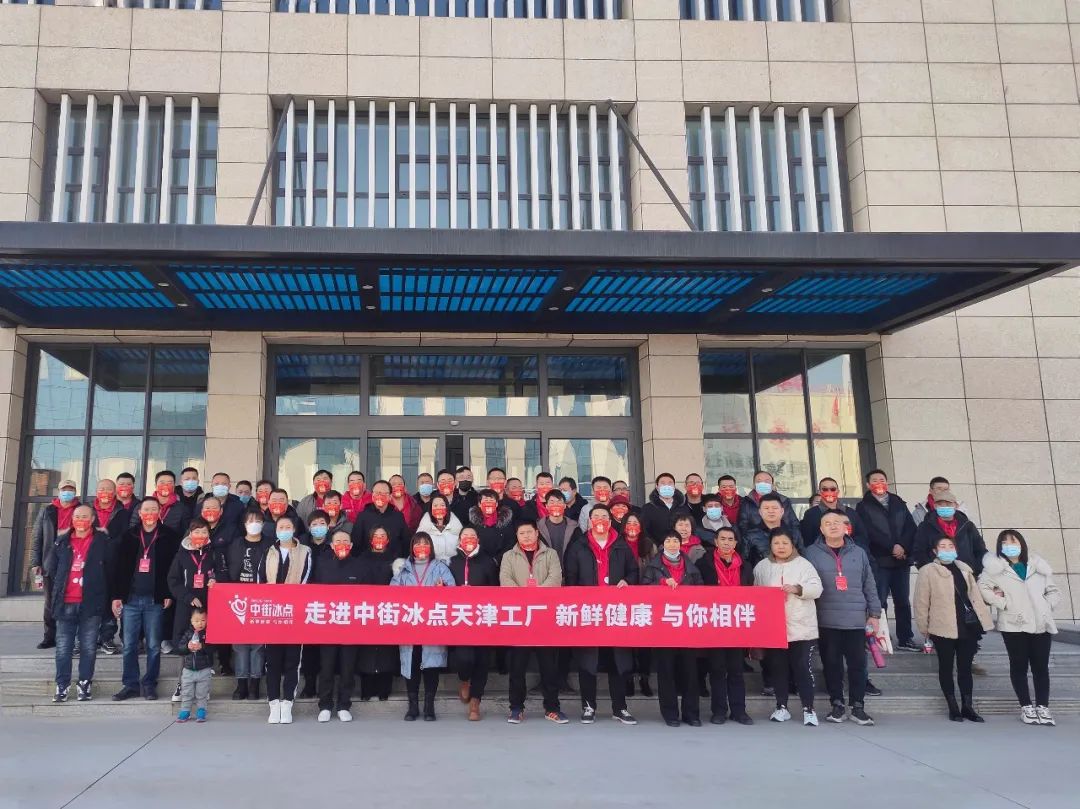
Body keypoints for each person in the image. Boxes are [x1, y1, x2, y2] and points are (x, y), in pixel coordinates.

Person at [563, 503, 639, 725]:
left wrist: (628, 581)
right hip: (590, 612)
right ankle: (588, 706)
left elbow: (633, 571)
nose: (600, 520)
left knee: (618, 661)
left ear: (610, 520)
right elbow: (571, 577)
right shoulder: (579, 546)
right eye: (595, 516)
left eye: (604, 516)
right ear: (589, 521)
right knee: (588, 662)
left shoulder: (621, 545)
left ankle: (620, 707)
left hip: (616, 612)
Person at [804, 509, 881, 726]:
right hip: (826, 618)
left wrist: (874, 614)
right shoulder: (811, 553)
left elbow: (869, 584)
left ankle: (858, 706)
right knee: (832, 665)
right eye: (827, 523)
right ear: (821, 529)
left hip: (856, 620)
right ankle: (837, 704)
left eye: (837, 522)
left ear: (846, 527)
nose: (833, 526)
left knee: (858, 665)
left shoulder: (859, 552)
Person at [978, 530, 1061, 726]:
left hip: (1041, 623)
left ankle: (1043, 707)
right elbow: (983, 587)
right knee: (1019, 666)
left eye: (1013, 541)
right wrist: (1003, 603)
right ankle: (1026, 706)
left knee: (1041, 667)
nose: (1010, 545)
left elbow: (1053, 590)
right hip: (1014, 624)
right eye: (1005, 542)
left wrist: (1046, 605)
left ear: (1021, 543)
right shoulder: (994, 569)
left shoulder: (1037, 565)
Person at [914, 536, 992, 722]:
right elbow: (921, 601)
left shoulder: (964, 569)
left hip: (968, 625)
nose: (947, 549)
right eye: (942, 546)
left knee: (965, 667)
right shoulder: (928, 571)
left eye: (950, 546)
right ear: (935, 551)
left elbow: (974, 596)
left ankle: (967, 706)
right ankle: (953, 706)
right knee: (946, 667)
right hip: (942, 626)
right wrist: (924, 626)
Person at [110, 497, 181, 701]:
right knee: (129, 645)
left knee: (153, 646)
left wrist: (167, 593)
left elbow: (173, 569)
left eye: (153, 509)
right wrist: (116, 596)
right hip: (131, 599)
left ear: (159, 513)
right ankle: (130, 684)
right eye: (146, 510)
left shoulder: (169, 536)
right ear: (140, 514)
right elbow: (119, 568)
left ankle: (149, 684)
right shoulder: (129, 536)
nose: (149, 513)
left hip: (155, 600)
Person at [753, 528, 823, 727]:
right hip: (774, 627)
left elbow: (817, 589)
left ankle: (808, 709)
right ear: (770, 545)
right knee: (778, 668)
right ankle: (781, 707)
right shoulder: (762, 567)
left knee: (802, 667)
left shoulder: (804, 565)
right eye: (776, 543)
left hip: (801, 627)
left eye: (785, 543)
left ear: (792, 544)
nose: (781, 547)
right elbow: (756, 593)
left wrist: (797, 589)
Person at [501, 520, 567, 724]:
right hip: (520, 618)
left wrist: (536, 595)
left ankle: (552, 708)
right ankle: (516, 708)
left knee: (549, 667)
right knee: (517, 667)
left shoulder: (550, 554)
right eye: (522, 533)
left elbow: (555, 579)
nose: (526, 536)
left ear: (537, 533)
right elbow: (505, 580)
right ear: (517, 536)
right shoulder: (509, 556)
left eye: (529, 532)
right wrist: (524, 597)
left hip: (544, 616)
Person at [49, 504, 112, 703]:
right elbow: (52, 570)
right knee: (63, 648)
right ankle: (62, 685)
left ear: (92, 519)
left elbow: (110, 571)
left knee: (88, 647)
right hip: (65, 602)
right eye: (77, 516)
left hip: (91, 603)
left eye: (85, 516)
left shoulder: (103, 541)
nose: (80, 520)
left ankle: (84, 683)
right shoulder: (62, 541)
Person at [391, 532, 456, 721]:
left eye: (425, 543)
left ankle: (429, 706)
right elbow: (391, 594)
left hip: (432, 623)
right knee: (411, 663)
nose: (421, 547)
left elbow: (453, 591)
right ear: (411, 547)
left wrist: (443, 590)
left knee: (431, 664)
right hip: (409, 622)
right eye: (417, 543)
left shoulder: (440, 567)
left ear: (431, 547)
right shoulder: (403, 569)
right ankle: (412, 707)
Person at [643, 530, 704, 727]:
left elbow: (702, 592)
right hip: (663, 627)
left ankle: (691, 713)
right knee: (666, 672)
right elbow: (643, 591)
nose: (672, 544)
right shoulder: (653, 567)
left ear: (681, 544)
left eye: (675, 541)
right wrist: (661, 583)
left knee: (690, 672)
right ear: (663, 544)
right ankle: (670, 713)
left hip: (687, 626)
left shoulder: (691, 567)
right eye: (668, 540)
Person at [695, 525, 754, 726]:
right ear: (715, 542)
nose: (727, 543)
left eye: (730, 539)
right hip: (714, 622)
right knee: (717, 668)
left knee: (736, 669)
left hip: (736, 622)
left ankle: (739, 711)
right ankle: (719, 710)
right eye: (723, 539)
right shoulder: (704, 564)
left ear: (736, 543)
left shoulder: (745, 566)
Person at [856, 469, 919, 652]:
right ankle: (879, 636)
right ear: (868, 485)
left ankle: (905, 638)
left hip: (901, 561)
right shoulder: (863, 506)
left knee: (903, 601)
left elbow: (910, 527)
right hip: (880, 561)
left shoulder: (898, 502)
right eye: (874, 480)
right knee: (879, 601)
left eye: (882, 479)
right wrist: (891, 547)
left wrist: (902, 546)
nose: (879, 483)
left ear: (887, 482)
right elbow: (869, 532)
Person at [259, 515, 312, 725]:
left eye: (288, 526)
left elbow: (306, 579)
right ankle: (273, 703)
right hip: (272, 613)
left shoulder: (305, 551)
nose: (284, 530)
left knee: (292, 661)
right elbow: (260, 579)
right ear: (276, 530)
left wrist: (293, 600)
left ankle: (288, 702)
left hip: (295, 613)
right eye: (281, 527)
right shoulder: (268, 551)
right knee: (272, 662)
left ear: (294, 529)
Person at [447, 527, 499, 721]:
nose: (468, 539)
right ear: (459, 540)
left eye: (472, 536)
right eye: (465, 536)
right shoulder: (452, 561)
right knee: (464, 657)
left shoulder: (487, 562)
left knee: (482, 660)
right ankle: (464, 679)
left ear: (478, 539)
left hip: (483, 617)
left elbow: (495, 589)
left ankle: (475, 702)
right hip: (461, 618)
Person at [314, 531, 365, 723]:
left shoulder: (359, 566)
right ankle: (325, 705)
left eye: (345, 541)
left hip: (351, 625)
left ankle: (344, 705)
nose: (342, 544)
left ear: (351, 545)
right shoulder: (322, 564)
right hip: (327, 624)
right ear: (331, 545)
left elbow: (367, 594)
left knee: (347, 667)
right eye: (338, 541)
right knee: (326, 667)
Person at [166, 517, 217, 703]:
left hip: (208, 605)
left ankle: (204, 686)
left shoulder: (214, 553)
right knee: (185, 644)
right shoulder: (182, 554)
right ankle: (182, 684)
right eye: (197, 531)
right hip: (186, 606)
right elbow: (173, 580)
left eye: (204, 532)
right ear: (190, 533)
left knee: (206, 644)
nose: (200, 535)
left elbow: (223, 572)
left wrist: (216, 580)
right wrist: (188, 597)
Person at [224, 507, 272, 701]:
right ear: (244, 524)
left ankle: (255, 684)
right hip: (239, 599)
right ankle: (241, 683)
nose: (254, 524)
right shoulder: (235, 544)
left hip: (261, 599)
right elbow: (227, 569)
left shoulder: (270, 544)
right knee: (240, 645)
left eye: (258, 520)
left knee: (258, 645)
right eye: (250, 520)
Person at [30, 478, 80, 650]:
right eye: (64, 489)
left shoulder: (81, 510)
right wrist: (35, 562)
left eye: (70, 489)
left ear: (75, 492)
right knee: (50, 602)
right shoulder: (47, 510)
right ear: (59, 491)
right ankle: (49, 637)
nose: (67, 492)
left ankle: (70, 637)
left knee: (72, 601)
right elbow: (37, 537)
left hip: (73, 562)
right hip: (50, 562)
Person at [355, 527, 399, 702]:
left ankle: (384, 689)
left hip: (388, 609)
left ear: (388, 539)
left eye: (383, 535)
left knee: (386, 650)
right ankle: (366, 689)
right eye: (376, 536)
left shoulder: (396, 559)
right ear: (370, 539)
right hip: (366, 609)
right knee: (366, 650)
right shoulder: (361, 559)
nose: (379, 539)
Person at [92, 478, 130, 655]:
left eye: (108, 489)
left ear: (114, 492)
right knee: (90, 602)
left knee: (111, 600)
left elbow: (125, 536)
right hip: (91, 563)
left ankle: (107, 637)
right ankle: (88, 638)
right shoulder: (88, 511)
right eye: (101, 489)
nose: (105, 492)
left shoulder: (122, 512)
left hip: (114, 562)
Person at [913, 489, 987, 575]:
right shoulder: (925, 526)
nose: (944, 507)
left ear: (956, 505)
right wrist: (929, 571)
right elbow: (919, 552)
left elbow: (980, 550)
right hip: (936, 576)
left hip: (966, 574)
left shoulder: (967, 526)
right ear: (935, 506)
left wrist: (976, 571)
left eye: (948, 504)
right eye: (940, 504)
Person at [622, 512, 655, 698]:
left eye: (636, 523)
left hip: (645, 599)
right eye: (629, 522)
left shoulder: (649, 545)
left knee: (644, 643)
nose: (632, 526)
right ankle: (628, 679)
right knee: (626, 642)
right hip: (623, 599)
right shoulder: (617, 543)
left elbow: (656, 568)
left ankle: (644, 678)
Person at [799, 478, 869, 553]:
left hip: (851, 555)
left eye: (833, 489)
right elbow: (807, 540)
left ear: (838, 491)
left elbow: (862, 537)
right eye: (825, 489)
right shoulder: (811, 514)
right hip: (822, 556)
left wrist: (853, 550)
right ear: (819, 492)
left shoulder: (851, 513)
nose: (829, 492)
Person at [350, 480, 409, 558]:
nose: (380, 496)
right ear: (372, 496)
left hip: (392, 562)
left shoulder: (398, 517)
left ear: (390, 496)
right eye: (377, 493)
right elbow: (356, 544)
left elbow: (406, 543)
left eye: (384, 493)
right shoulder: (363, 516)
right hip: (368, 562)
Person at [743, 492, 802, 569]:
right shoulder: (750, 535)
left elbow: (802, 557)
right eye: (766, 508)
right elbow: (745, 562)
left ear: (782, 511)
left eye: (775, 508)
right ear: (760, 512)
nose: (771, 511)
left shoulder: (794, 533)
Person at [174, 607, 213, 724]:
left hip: (204, 669)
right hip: (188, 669)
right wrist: (187, 646)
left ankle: (201, 711)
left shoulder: (209, 634)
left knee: (202, 693)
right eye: (196, 620)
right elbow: (180, 649)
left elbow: (213, 649)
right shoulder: (187, 634)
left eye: (203, 620)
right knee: (187, 692)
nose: (200, 623)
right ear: (191, 621)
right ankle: (185, 711)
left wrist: (203, 646)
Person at [737, 471, 799, 538]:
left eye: (767, 481)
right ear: (754, 485)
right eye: (759, 481)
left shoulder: (783, 500)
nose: (763, 484)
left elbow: (794, 524)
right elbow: (743, 526)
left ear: (772, 484)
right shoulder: (746, 502)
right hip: (757, 541)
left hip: (782, 540)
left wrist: (790, 540)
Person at [469, 488, 516, 562]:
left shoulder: (506, 522)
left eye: (491, 500)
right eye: (486, 500)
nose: (488, 503)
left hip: (502, 562)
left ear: (496, 504)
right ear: (479, 504)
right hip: (479, 562)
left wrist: (497, 560)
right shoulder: (473, 524)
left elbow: (510, 543)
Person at [638, 473, 686, 543]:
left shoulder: (683, 508)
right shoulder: (648, 508)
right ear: (657, 487)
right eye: (663, 483)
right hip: (657, 547)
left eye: (670, 483)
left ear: (674, 487)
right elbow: (645, 532)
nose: (667, 486)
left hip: (681, 547)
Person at [537, 488, 582, 562]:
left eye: (559, 502)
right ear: (546, 506)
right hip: (546, 567)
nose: (556, 505)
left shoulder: (575, 528)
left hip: (568, 568)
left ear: (564, 506)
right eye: (552, 502)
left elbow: (579, 551)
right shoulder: (538, 528)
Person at [416, 494, 463, 561]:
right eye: (435, 506)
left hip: (453, 565)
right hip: (431, 565)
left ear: (447, 507)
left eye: (442, 505)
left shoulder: (457, 527)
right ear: (431, 508)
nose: (439, 508)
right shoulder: (424, 528)